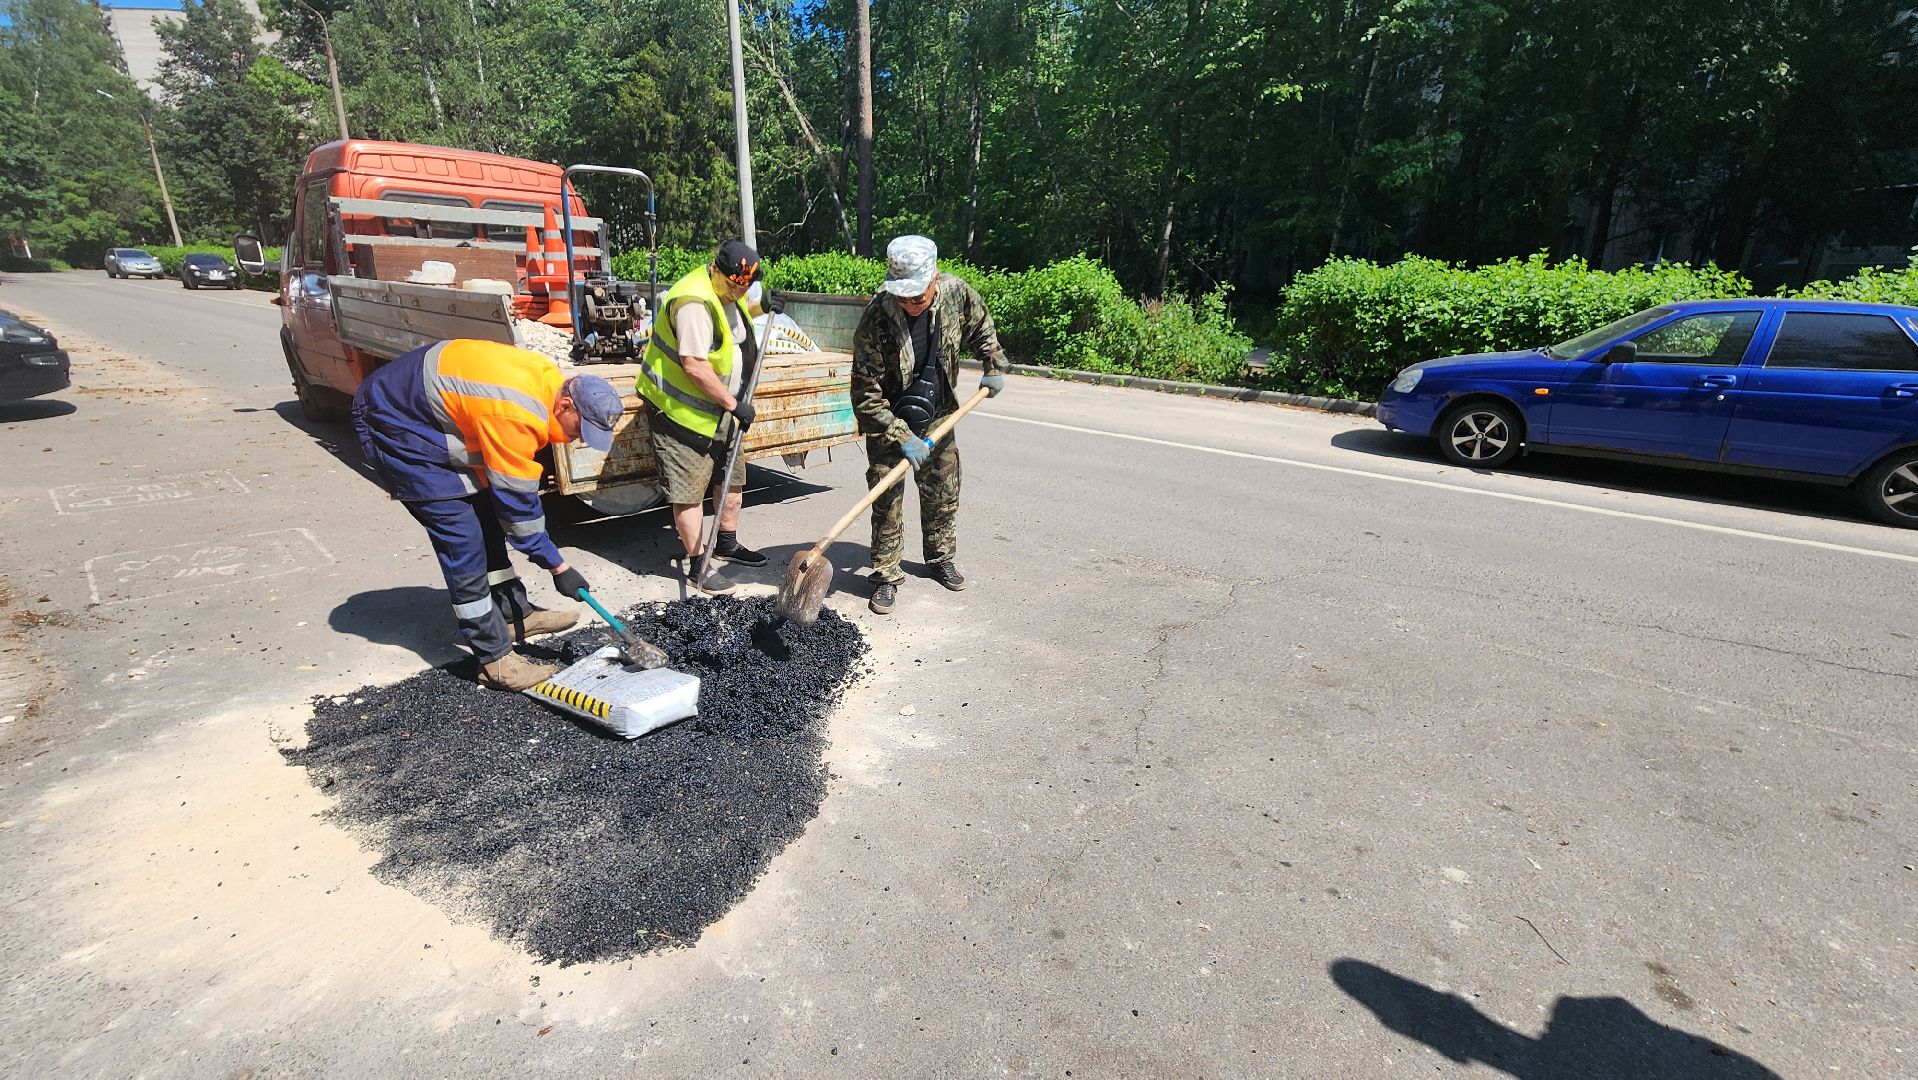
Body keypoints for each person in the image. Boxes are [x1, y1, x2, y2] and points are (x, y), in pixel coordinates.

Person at [351, 339, 623, 690]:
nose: (578, 440)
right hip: (395, 425)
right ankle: (494, 660)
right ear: (566, 404)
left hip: (431, 413)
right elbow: (519, 511)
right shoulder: (517, 412)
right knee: (462, 539)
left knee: (487, 521)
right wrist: (559, 567)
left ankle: (514, 616)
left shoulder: (545, 387)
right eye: (579, 429)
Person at [849, 234, 1007, 615]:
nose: (910, 303)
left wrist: (993, 363)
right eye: (903, 296)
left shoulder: (955, 294)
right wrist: (901, 436)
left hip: (938, 412)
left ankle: (939, 559)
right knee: (885, 499)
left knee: (943, 489)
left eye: (917, 296)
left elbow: (981, 324)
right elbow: (864, 394)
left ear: (934, 278)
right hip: (890, 418)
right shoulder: (876, 319)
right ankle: (886, 575)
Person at [635, 238, 778, 592]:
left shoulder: (727, 292)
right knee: (689, 492)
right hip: (682, 413)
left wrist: (762, 307)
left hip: (722, 407)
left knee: (732, 478)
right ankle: (699, 564)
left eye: (744, 288)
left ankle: (726, 543)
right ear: (717, 269)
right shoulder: (693, 302)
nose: (737, 293)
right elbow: (695, 366)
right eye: (733, 286)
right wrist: (734, 404)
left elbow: (732, 326)